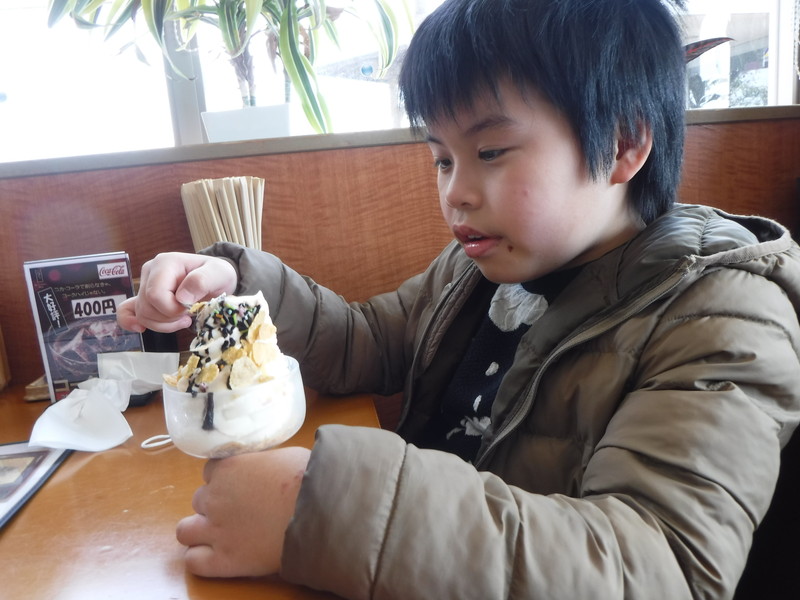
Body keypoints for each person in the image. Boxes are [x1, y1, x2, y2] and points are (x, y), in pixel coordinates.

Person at [118, 0, 800, 597]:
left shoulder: (722, 314)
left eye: (491, 151)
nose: (455, 192)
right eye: (442, 158)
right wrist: (242, 291)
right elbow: (367, 340)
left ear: (623, 143)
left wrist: (331, 510)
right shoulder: (482, 268)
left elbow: (659, 568)